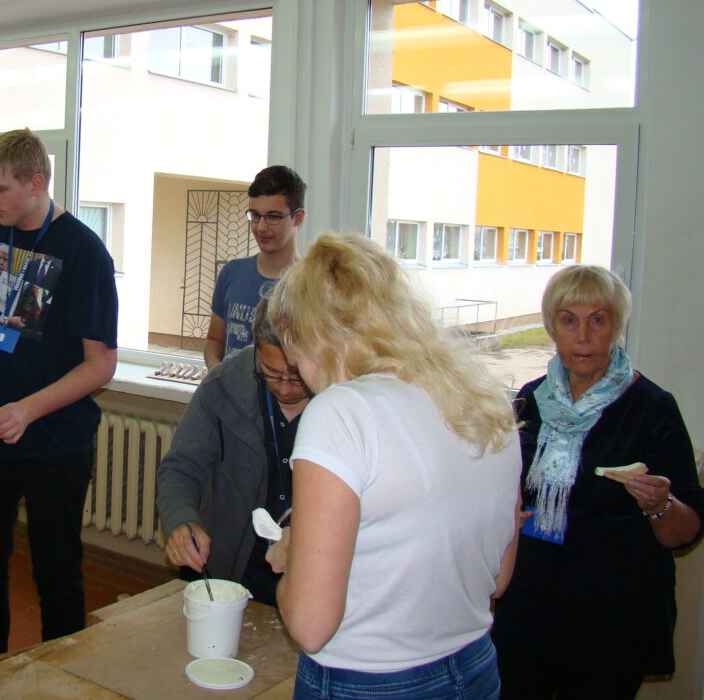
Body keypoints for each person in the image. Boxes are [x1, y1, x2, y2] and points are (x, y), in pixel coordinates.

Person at [264, 232, 521, 700]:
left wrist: (292, 554)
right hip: (474, 668)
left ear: (318, 338)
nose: (301, 375)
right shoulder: (485, 403)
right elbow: (497, 580)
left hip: (368, 681)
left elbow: (310, 626)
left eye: (296, 358)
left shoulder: (341, 412)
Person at [0, 127, 119, 660]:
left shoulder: (83, 251)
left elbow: (101, 364)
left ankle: (62, 677)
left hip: (55, 444)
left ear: (36, 183)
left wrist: (27, 411)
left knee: (57, 574)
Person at [491, 265, 704, 699]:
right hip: (529, 610)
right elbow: (502, 489)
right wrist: (504, 513)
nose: (583, 336)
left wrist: (659, 505)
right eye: (569, 320)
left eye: (598, 320)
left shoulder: (652, 407)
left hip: (614, 619)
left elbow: (685, 533)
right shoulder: (529, 399)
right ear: (552, 327)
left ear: (617, 326)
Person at [157, 297, 312, 605]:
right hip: (236, 564)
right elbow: (180, 469)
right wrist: (182, 520)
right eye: (271, 372)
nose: (284, 387)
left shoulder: (343, 399)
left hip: (311, 567)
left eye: (296, 376)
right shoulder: (225, 383)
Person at [204, 165, 306, 369]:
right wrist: (216, 371)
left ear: (298, 217)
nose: (261, 227)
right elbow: (214, 340)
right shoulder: (232, 273)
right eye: (255, 215)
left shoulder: (312, 286)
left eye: (273, 217)